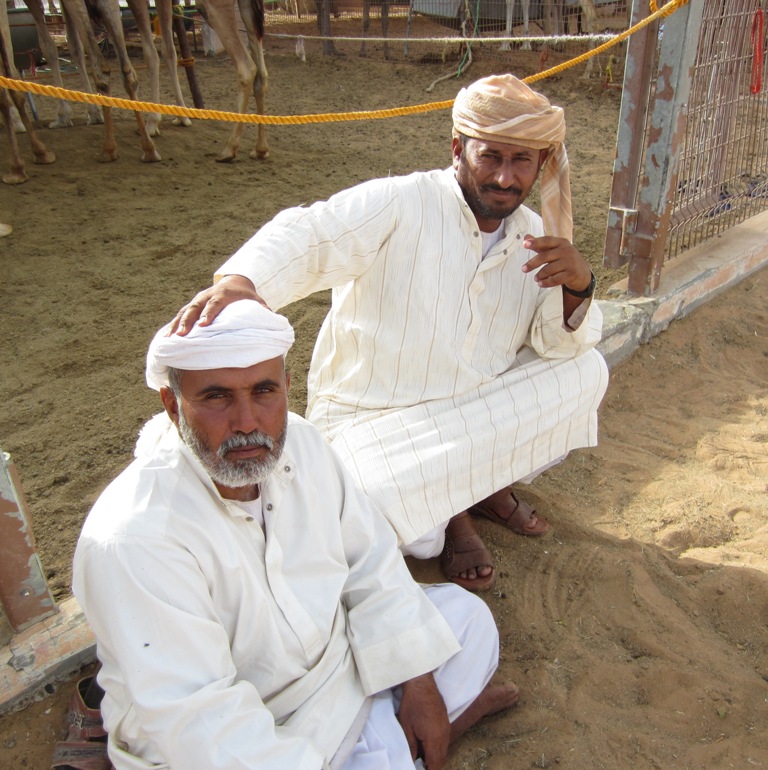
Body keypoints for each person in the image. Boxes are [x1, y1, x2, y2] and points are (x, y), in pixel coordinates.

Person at [170, 73, 610, 592]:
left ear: (541, 165)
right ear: (457, 149)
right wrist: (244, 281)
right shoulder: (401, 202)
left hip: (469, 414)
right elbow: (313, 231)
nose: (505, 178)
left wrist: (580, 285)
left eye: (522, 162)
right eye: (490, 156)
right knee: (403, 530)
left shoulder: (539, 237)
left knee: (586, 371)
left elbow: (558, 343)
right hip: (375, 421)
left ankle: (477, 488)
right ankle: (461, 505)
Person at [72, 300, 518, 770]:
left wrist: (418, 680)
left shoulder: (301, 443)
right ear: (172, 406)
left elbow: (371, 561)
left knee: (468, 621)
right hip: (254, 723)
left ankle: (402, 739)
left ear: (287, 387)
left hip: (336, 666)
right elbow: (200, 724)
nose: (246, 422)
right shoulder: (136, 536)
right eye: (217, 397)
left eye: (264, 391)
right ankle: (413, 742)